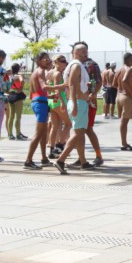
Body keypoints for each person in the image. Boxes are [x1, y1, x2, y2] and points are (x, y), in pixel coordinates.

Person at [54, 43, 96, 174]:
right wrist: (75, 104)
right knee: (77, 134)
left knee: (80, 133)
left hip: (79, 102)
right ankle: (60, 160)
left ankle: (83, 162)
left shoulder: (77, 65)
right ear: (75, 53)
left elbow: (74, 84)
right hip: (78, 102)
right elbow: (71, 84)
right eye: (82, 51)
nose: (86, 53)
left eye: (86, 51)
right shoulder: (76, 65)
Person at [23, 52, 64, 170]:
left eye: (48, 59)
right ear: (39, 61)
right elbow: (44, 87)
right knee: (38, 133)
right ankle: (28, 161)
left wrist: (49, 97)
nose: (48, 61)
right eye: (45, 59)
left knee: (43, 133)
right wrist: (60, 86)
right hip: (40, 104)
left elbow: (35, 93)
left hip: (40, 102)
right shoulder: (40, 71)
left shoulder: (35, 72)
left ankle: (44, 158)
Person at [115, 52, 132, 151]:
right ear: (128, 60)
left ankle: (124, 142)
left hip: (119, 96)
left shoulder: (119, 70)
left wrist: (121, 89)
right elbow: (124, 80)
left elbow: (114, 83)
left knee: (123, 121)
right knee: (124, 121)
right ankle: (124, 143)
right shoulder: (129, 69)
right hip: (126, 97)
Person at [5, 63, 27, 140]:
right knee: (18, 116)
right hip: (17, 97)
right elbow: (22, 81)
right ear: (18, 69)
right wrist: (21, 88)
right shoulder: (18, 76)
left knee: (11, 116)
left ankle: (10, 134)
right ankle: (18, 134)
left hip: (11, 96)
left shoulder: (10, 77)